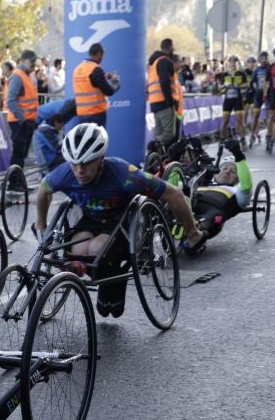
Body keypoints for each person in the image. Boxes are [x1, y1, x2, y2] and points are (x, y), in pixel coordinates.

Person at [35, 123, 200, 316]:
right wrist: (42, 223)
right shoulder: (64, 173)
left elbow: (174, 194)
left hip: (121, 221)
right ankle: (109, 278)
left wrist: (192, 232)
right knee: (78, 251)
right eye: (74, 163)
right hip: (90, 219)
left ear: (100, 159)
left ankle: (115, 278)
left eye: (87, 163)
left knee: (97, 249)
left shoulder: (124, 174)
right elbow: (43, 190)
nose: (79, 170)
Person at [187, 137, 256, 248]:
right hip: (191, 203)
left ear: (237, 179)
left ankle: (197, 236)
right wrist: (198, 150)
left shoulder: (238, 192)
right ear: (216, 172)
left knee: (215, 217)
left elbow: (247, 184)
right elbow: (206, 164)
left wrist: (238, 155)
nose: (227, 172)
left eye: (233, 171)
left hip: (212, 213)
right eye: (224, 168)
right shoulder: (203, 181)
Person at [4, 49, 40, 169]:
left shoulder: (27, 76)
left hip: (26, 121)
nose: (34, 65)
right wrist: (22, 120)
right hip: (19, 121)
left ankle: (16, 180)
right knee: (19, 153)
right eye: (32, 62)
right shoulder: (18, 76)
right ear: (23, 61)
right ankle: (14, 181)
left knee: (22, 153)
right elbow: (11, 101)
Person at [70, 43, 119, 127]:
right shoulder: (96, 69)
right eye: (102, 55)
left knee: (85, 140)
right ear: (99, 53)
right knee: (97, 140)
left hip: (82, 115)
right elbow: (109, 91)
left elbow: (89, 84)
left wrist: (104, 77)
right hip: (96, 114)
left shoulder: (77, 69)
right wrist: (116, 82)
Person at [146, 37, 182, 149]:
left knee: (159, 132)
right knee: (169, 134)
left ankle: (156, 160)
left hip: (155, 103)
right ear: (170, 47)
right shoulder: (164, 61)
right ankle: (152, 148)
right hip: (164, 103)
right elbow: (165, 82)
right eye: (173, 47)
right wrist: (170, 102)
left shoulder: (154, 63)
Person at [34, 98, 78, 172]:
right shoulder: (46, 131)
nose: (61, 128)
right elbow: (57, 148)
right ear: (56, 123)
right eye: (61, 125)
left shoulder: (48, 129)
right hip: (50, 162)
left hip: (50, 159)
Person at [217, 55, 249, 139]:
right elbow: (219, 87)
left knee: (240, 120)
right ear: (229, 64)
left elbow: (246, 84)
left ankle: (243, 138)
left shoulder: (241, 73)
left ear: (238, 64)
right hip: (228, 100)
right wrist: (224, 85)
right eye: (231, 62)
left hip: (238, 100)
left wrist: (238, 86)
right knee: (225, 121)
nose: (233, 64)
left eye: (235, 62)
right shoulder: (225, 74)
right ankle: (222, 140)